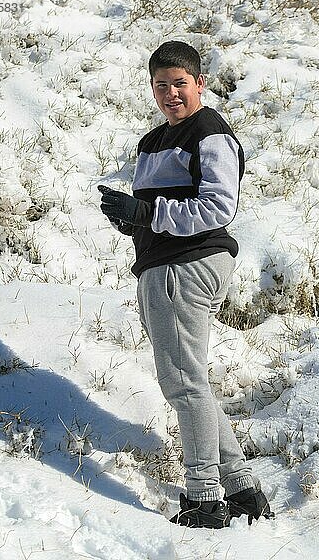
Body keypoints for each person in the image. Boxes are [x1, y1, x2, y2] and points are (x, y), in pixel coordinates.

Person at [98, 41, 273, 529]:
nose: (171, 93)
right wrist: (131, 219)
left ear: (199, 83)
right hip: (161, 264)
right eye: (161, 85)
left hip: (187, 265)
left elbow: (218, 207)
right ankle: (240, 487)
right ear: (151, 88)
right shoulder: (151, 143)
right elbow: (156, 215)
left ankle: (203, 497)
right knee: (191, 378)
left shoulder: (210, 132)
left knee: (182, 383)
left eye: (180, 83)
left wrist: (149, 214)